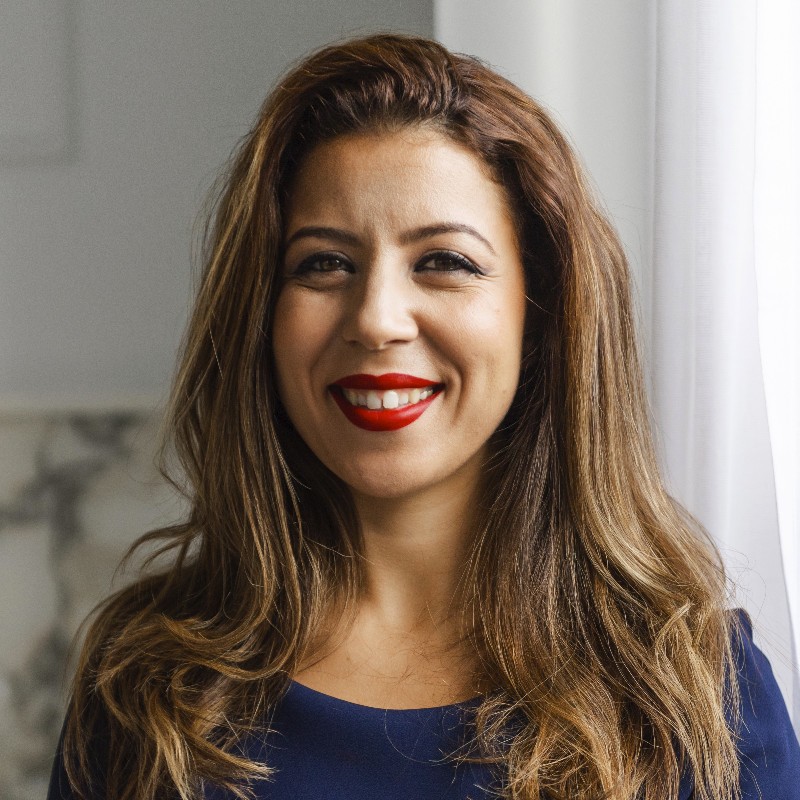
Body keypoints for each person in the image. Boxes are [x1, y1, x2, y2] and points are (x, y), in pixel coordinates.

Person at [48, 33, 800, 800]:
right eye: (324, 263)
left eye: (444, 262)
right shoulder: (144, 685)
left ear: (541, 313)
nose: (376, 319)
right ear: (262, 317)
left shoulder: (697, 692)